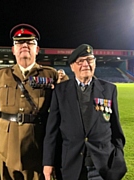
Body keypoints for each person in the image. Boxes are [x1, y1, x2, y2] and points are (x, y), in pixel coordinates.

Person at [43, 44, 127, 180]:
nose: (86, 64)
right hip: (71, 165)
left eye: (89, 60)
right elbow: (51, 131)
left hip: (103, 167)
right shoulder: (60, 91)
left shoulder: (109, 90)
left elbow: (116, 129)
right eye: (80, 61)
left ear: (95, 63)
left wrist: (118, 156)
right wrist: (48, 162)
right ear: (72, 66)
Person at [0, 23, 58, 180]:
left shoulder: (51, 75)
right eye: (19, 43)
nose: (24, 45)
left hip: (37, 143)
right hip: (6, 142)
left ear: (37, 50)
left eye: (30, 42)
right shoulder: (1, 75)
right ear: (13, 50)